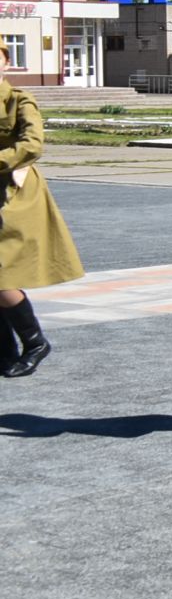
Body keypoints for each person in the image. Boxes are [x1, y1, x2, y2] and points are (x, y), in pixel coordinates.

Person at [0, 43, 83, 378]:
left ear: (5, 61)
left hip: (12, 192)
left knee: (3, 274)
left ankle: (34, 342)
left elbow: (32, 144)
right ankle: (5, 352)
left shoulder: (19, 100)